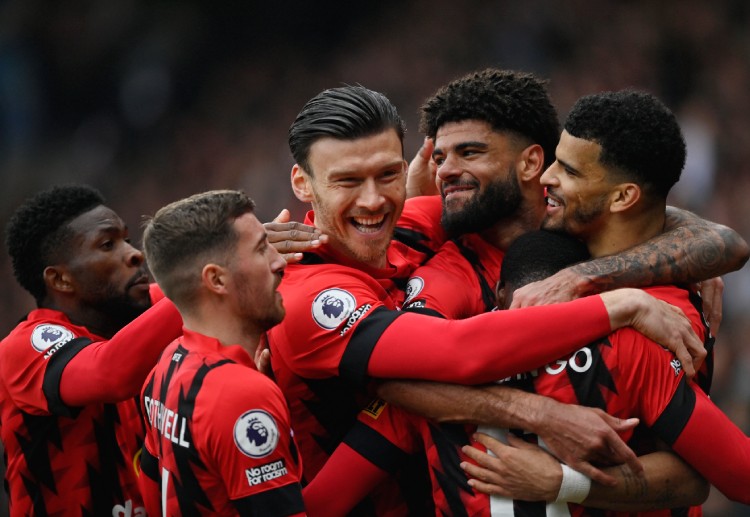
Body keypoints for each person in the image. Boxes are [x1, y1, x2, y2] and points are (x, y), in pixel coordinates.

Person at [267, 84, 704, 515]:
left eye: (387, 175)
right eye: (346, 181)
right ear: (302, 184)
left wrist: (669, 247)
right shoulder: (308, 293)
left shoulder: (420, 221)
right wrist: (614, 311)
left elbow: (715, 237)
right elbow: (448, 358)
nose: (373, 199)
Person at [458, 90, 750, 510]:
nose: (545, 178)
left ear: (622, 197)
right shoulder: (546, 229)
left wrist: (565, 482)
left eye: (570, 171)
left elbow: (703, 476)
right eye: (555, 159)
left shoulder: (664, 320)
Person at [0, 184, 184, 516]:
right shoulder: (25, 346)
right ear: (60, 279)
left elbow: (196, 293)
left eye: (126, 239)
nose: (134, 253)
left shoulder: (136, 313)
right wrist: (205, 279)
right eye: (107, 245)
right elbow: (110, 373)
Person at [136, 190, 306, 516]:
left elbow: (151, 486)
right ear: (216, 279)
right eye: (261, 249)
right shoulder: (240, 394)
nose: (279, 261)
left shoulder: (167, 365)